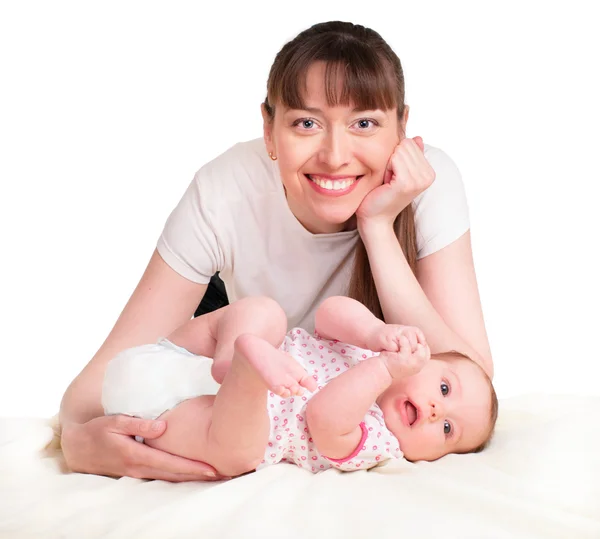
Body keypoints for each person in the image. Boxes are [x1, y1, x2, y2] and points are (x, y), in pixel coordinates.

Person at [59, 21, 493, 482]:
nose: (334, 155)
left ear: (402, 128)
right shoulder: (225, 191)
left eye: (364, 123)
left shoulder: (427, 183)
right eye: (307, 123)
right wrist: (77, 438)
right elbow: (93, 389)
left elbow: (469, 378)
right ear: (269, 129)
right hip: (233, 338)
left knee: (236, 448)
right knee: (246, 334)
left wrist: (379, 225)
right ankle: (241, 357)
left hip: (287, 393)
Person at [102, 296, 498, 477]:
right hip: (182, 361)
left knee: (238, 455)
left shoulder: (380, 443)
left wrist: (384, 369)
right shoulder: (368, 350)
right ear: (424, 356)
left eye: (447, 430)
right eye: (445, 390)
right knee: (265, 312)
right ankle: (231, 358)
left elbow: (323, 415)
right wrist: (376, 331)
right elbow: (329, 313)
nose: (435, 412)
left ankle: (247, 370)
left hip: (175, 420)